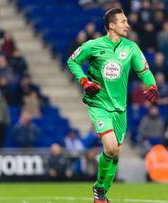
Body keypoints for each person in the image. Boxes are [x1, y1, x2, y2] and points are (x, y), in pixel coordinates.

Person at [67, 8, 159, 203]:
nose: (128, 25)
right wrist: (84, 81)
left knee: (114, 152)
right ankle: (99, 191)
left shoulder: (132, 48)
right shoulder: (93, 45)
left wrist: (151, 84)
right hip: (98, 104)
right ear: (112, 25)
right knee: (110, 147)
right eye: (123, 21)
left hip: (120, 108)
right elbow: (73, 61)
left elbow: (144, 70)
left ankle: (102, 190)